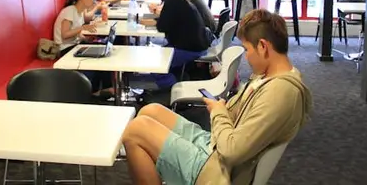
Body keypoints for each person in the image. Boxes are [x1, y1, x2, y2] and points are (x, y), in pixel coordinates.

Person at [123, 9, 312, 185]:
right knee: (150, 111)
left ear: (263, 46)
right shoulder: (269, 77)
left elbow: (231, 151)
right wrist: (222, 109)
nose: (247, 57)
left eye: (247, 50)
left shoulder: (281, 92)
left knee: (135, 130)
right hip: (215, 146)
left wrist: (218, 112)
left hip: (219, 170)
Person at [139, 0, 211, 88]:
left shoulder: (171, 2)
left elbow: (162, 27)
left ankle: (172, 84)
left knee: (155, 62)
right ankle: (174, 77)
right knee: (158, 54)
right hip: (198, 45)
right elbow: (169, 20)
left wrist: (149, 22)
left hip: (189, 49)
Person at [53, 0, 113, 94]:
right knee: (97, 57)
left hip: (74, 45)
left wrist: (87, 39)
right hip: (65, 49)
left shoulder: (79, 12)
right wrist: (83, 28)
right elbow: (65, 35)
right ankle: (97, 90)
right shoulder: (69, 11)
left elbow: (76, 34)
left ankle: (103, 88)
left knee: (102, 50)